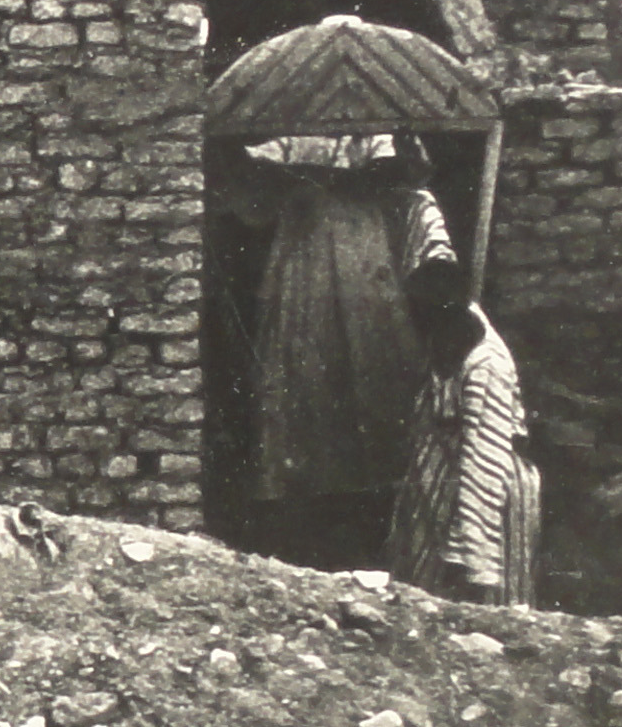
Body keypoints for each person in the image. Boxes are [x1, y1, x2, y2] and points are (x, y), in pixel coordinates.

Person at [213, 130, 454, 568]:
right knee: (302, 374)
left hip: (364, 261)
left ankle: (369, 511)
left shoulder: (377, 135)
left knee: (371, 367)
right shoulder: (291, 137)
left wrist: (345, 175)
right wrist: (299, 180)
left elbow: (405, 174)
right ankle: (299, 512)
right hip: (304, 263)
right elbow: (249, 196)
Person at [389, 257, 539, 605]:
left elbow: (482, 461)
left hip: (486, 490)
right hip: (444, 480)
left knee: (481, 607)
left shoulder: (487, 366)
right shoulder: (447, 339)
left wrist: (471, 556)